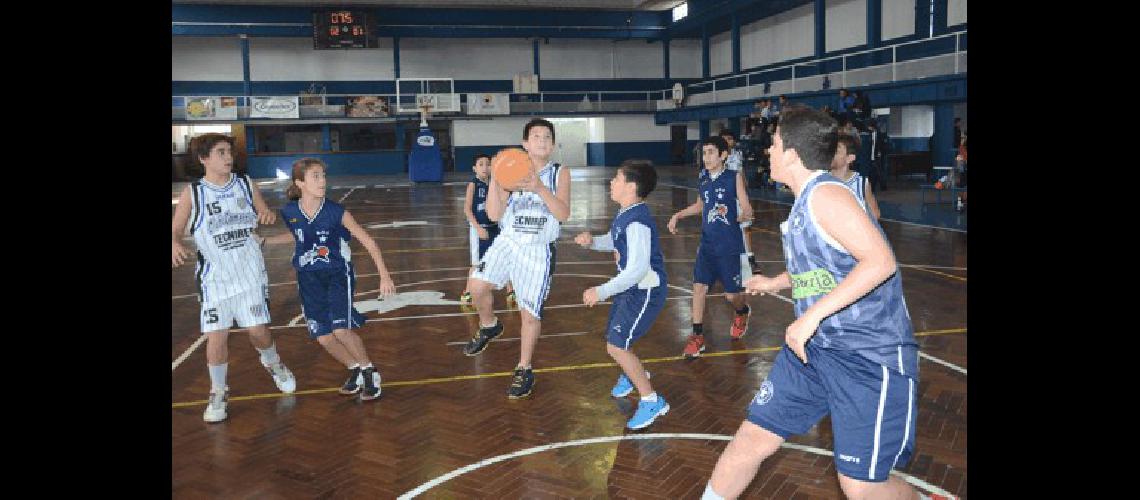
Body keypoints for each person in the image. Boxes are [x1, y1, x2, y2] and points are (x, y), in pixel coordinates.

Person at [700, 106, 923, 500]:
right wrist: (777, 281)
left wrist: (810, 317)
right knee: (751, 439)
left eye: (773, 143)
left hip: (867, 357)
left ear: (790, 153)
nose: (768, 151)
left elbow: (880, 262)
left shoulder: (826, 196)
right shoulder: (805, 201)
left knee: (861, 487)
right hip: (814, 352)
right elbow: (829, 268)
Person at [171, 133, 296, 423]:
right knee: (216, 336)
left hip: (249, 272)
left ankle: (273, 363)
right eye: (221, 152)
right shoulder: (194, 193)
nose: (229, 157)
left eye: (230, 152)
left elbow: (264, 212)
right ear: (204, 159)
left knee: (257, 332)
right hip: (214, 278)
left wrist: (266, 215)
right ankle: (217, 391)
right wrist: (175, 242)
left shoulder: (245, 184)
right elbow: (176, 229)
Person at [263, 158, 396, 402]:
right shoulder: (291, 211)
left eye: (323, 175)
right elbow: (298, 237)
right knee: (323, 336)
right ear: (300, 182)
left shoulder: (337, 212)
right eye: (316, 176)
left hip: (337, 274)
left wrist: (384, 275)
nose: (323, 181)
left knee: (341, 329)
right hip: (307, 278)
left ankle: (370, 371)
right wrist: (265, 242)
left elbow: (369, 242)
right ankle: (355, 369)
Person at [461, 118, 573, 399]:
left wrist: (539, 188)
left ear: (554, 144)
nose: (542, 140)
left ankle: (524, 368)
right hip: (508, 241)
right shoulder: (508, 169)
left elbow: (562, 215)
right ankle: (490, 325)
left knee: (529, 314)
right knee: (476, 285)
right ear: (525, 144)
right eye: (536, 136)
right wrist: (498, 179)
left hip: (537, 248)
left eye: (547, 136)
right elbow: (495, 216)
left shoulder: (560, 172)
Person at [575, 160, 670, 429]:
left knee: (616, 345)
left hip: (644, 291)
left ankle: (652, 400)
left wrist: (602, 291)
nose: (611, 183)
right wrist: (594, 241)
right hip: (631, 290)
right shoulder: (626, 213)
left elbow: (638, 269)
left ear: (631, 186)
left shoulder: (638, 220)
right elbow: (615, 240)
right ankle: (633, 374)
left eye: (616, 179)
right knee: (616, 341)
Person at [667, 136, 754, 358]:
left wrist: (744, 215)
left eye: (711, 152)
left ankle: (742, 311)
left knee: (731, 296)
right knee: (699, 287)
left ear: (723, 155)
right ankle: (697, 336)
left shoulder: (733, 178)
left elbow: (747, 208)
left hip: (730, 246)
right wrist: (678, 215)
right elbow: (700, 205)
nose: (706, 157)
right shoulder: (703, 178)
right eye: (704, 153)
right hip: (707, 244)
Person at [460, 153, 513, 305]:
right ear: (474, 168)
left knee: (504, 259)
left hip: (496, 228)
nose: (485, 167)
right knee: (477, 264)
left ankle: (511, 291)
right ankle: (467, 293)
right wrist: (478, 228)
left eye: (488, 164)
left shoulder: (495, 184)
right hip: (480, 229)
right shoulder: (473, 185)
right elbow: (467, 210)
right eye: (481, 164)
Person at [831, 126, 881, 220]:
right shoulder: (820, 179)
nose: (831, 154)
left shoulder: (861, 184)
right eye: (831, 150)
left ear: (850, 158)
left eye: (837, 152)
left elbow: (875, 215)